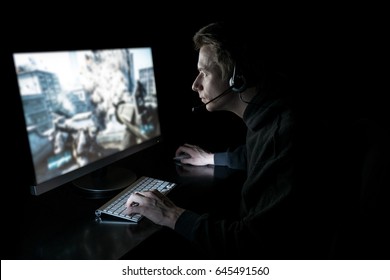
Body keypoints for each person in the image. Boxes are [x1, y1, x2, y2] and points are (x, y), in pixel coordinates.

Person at [125, 21, 334, 259]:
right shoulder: (273, 114)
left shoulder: (283, 134)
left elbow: (251, 245)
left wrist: (170, 215)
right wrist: (211, 158)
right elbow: (259, 156)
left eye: (205, 72)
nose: (195, 84)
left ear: (237, 77)